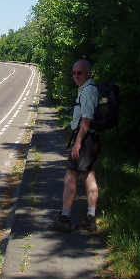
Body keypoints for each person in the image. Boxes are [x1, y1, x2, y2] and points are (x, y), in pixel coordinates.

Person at [49, 59, 100, 232]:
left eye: (80, 72)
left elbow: (87, 118)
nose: (76, 76)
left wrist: (78, 143)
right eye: (74, 73)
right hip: (91, 140)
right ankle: (90, 219)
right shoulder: (89, 89)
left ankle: (65, 218)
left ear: (88, 73)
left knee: (71, 176)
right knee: (88, 176)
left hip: (85, 140)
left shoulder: (88, 91)